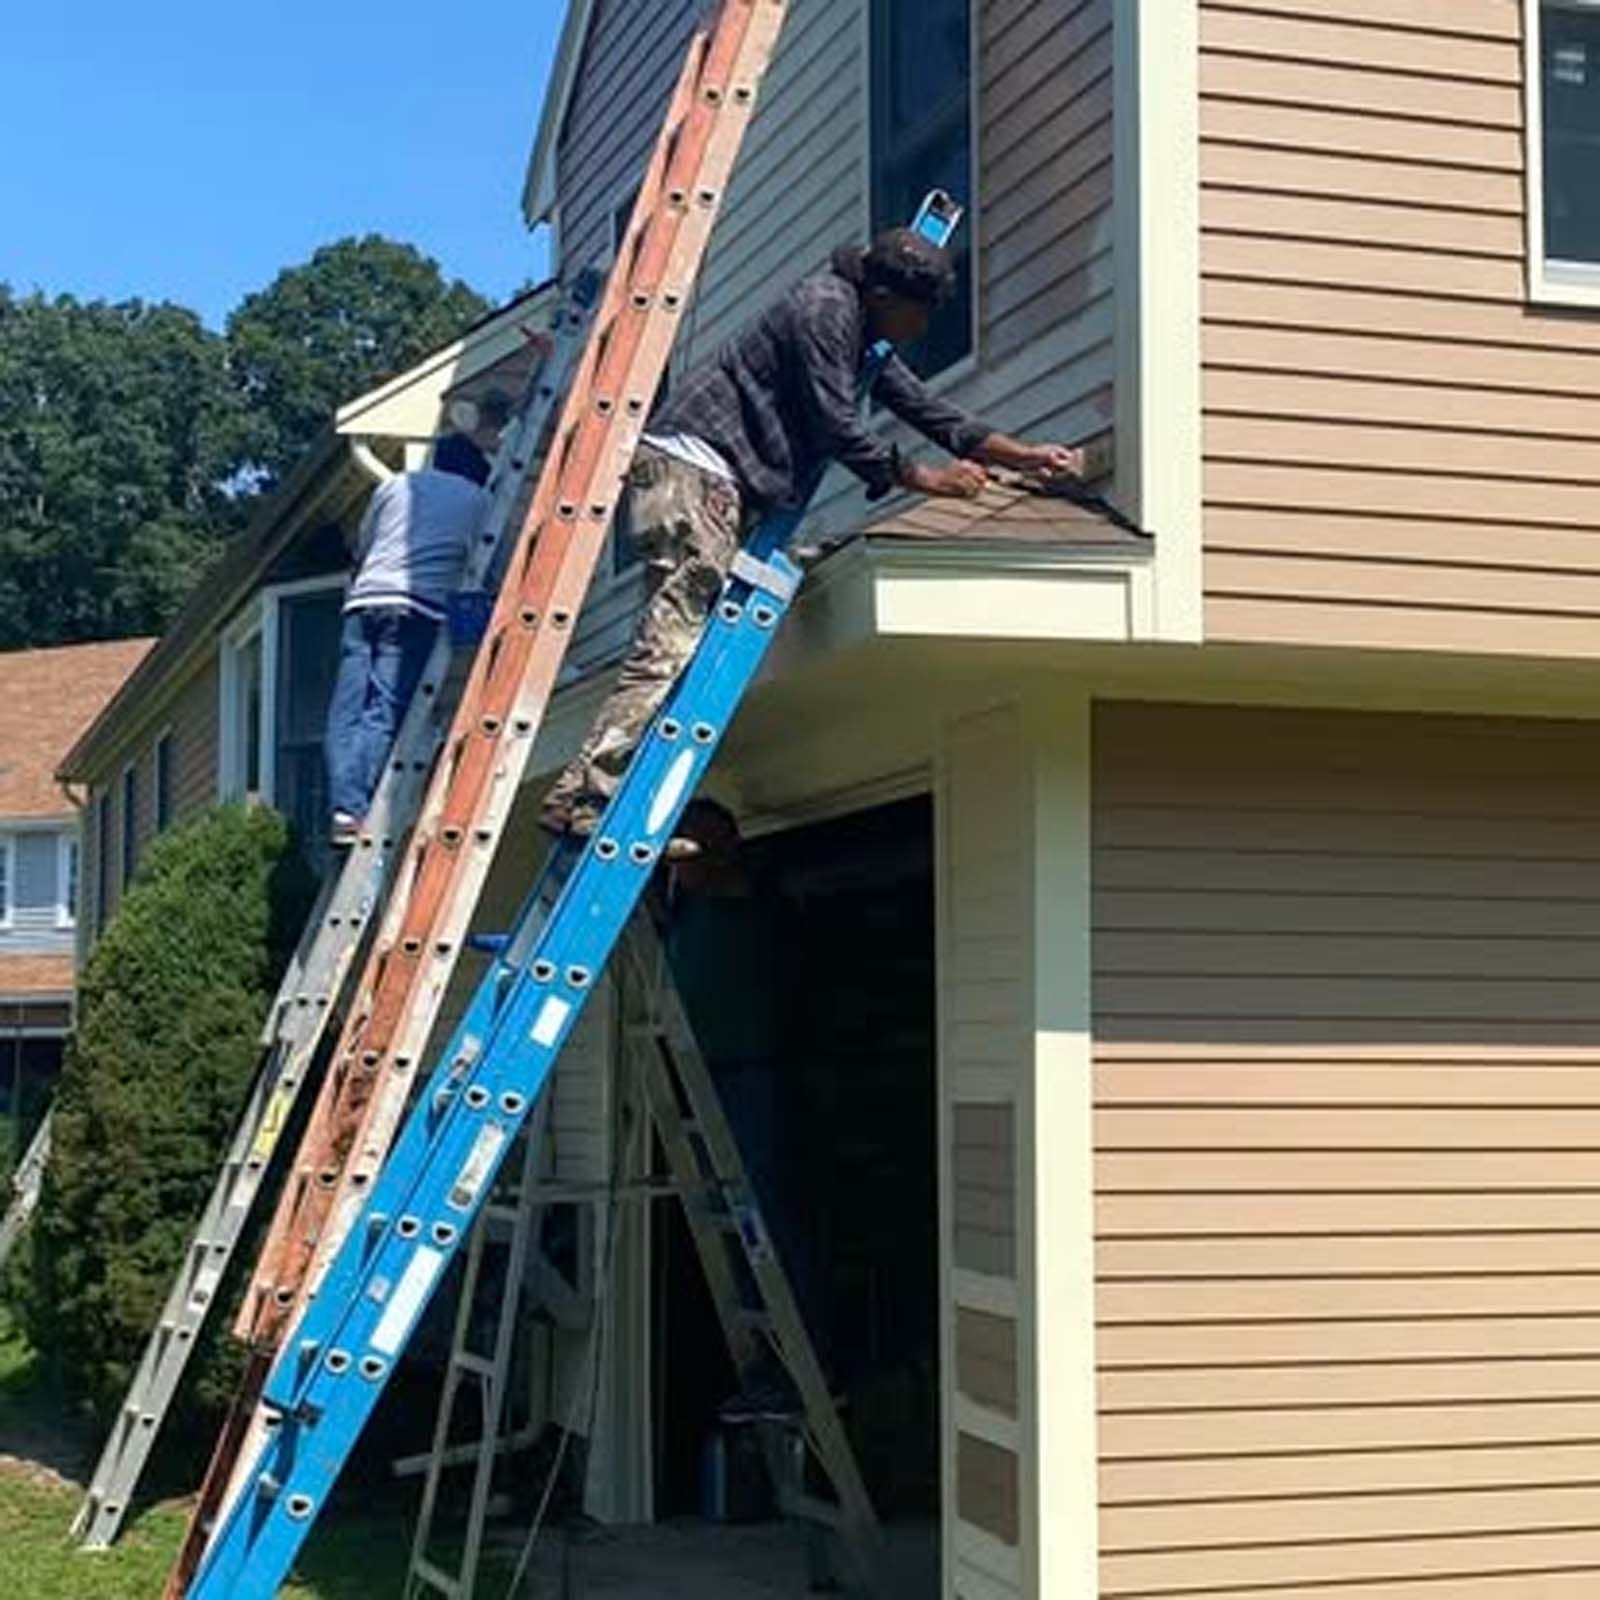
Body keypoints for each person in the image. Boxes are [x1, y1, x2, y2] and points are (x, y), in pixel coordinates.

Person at [538, 228, 1085, 842]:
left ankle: (601, 794)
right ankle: (583, 796)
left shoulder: (862, 334)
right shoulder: (825, 309)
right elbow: (834, 424)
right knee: (674, 643)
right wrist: (927, 480)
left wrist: (1025, 457)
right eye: (920, 311)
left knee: (681, 642)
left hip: (706, 475)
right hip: (696, 469)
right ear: (884, 294)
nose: (923, 326)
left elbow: (931, 412)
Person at [325, 410, 507, 847]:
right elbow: (489, 568)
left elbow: (364, 546)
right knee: (384, 711)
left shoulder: (394, 485)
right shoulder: (478, 501)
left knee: (347, 710)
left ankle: (341, 806)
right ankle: (353, 811)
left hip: (363, 602)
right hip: (416, 608)